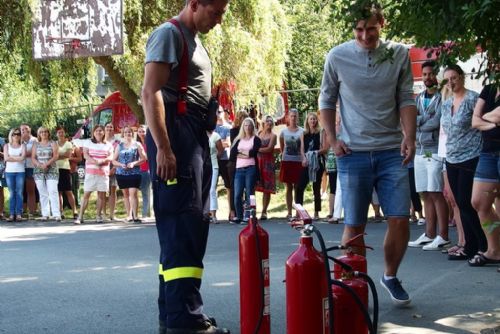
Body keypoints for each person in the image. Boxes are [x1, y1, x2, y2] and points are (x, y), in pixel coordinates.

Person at [319, 2, 417, 305]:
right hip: (353, 152)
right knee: (355, 224)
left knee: (400, 219)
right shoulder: (337, 56)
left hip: (391, 150)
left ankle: (389, 275)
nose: (364, 35)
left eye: (371, 28)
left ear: (382, 23)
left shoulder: (398, 54)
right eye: (359, 29)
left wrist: (410, 137)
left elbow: (405, 98)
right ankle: (354, 282)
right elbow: (326, 100)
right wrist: (333, 140)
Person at [142, 0, 230, 333]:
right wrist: (164, 148)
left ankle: (174, 316)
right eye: (216, 12)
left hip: (191, 137)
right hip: (176, 137)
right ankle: (186, 320)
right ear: (194, 3)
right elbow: (150, 93)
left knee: (187, 226)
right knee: (183, 226)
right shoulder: (169, 34)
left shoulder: (194, 42)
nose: (219, 20)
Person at [440, 64, 486, 261]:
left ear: (462, 77)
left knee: (468, 203)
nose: (451, 82)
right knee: (459, 202)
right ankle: (469, 245)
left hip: (471, 155)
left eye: (454, 78)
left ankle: (483, 245)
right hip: (451, 157)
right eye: (447, 79)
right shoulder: (446, 103)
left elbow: (482, 123)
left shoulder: (473, 98)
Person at [408, 61, 450, 250]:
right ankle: (429, 233)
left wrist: (420, 122)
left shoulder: (443, 96)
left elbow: (438, 121)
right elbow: (410, 120)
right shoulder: (418, 98)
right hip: (420, 148)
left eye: (431, 74)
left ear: (437, 76)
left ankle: (443, 235)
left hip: (434, 149)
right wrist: (423, 120)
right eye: (424, 74)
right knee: (424, 192)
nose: (427, 78)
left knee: (436, 192)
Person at [469, 84, 500, 267]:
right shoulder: (489, 89)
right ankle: (494, 250)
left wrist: (485, 119)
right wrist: (494, 122)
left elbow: (486, 117)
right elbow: (474, 121)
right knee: (479, 202)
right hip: (488, 152)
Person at [75, 125, 113, 224]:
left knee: (101, 195)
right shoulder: (88, 142)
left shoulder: (108, 144)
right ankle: (80, 216)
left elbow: (111, 156)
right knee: (86, 193)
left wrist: (103, 160)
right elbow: (85, 154)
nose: (99, 132)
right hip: (91, 173)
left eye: (101, 130)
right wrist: (95, 161)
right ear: (93, 132)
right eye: (96, 130)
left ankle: (98, 216)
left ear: (104, 132)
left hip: (103, 173)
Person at [296, 112, 327, 220]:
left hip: (317, 162)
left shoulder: (321, 132)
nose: (313, 121)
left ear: (317, 121)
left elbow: (325, 148)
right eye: (311, 119)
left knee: (316, 187)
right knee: (299, 186)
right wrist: (304, 158)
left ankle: (316, 212)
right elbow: (302, 149)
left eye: (314, 119)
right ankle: (299, 212)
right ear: (307, 121)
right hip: (306, 162)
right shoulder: (303, 134)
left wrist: (314, 153)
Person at [112, 126, 147, 223]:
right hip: (121, 173)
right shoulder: (119, 146)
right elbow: (113, 160)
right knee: (126, 194)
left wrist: (133, 163)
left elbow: (144, 159)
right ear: (123, 134)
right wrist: (121, 165)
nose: (128, 134)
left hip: (134, 172)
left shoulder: (137, 144)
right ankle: (129, 215)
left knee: (133, 193)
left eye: (130, 132)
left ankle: (135, 216)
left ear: (132, 133)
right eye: (126, 132)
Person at [230, 117, 261, 224]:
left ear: (253, 127)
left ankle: (249, 216)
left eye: (249, 125)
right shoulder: (238, 140)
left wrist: (241, 153)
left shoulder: (256, 139)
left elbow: (252, 153)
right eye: (245, 125)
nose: (247, 127)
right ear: (243, 127)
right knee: (237, 194)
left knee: (249, 193)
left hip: (250, 169)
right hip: (239, 170)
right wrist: (245, 153)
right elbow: (233, 155)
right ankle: (239, 216)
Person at [279, 108, 304, 219]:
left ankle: (298, 212)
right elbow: (281, 146)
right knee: (288, 187)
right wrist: (284, 155)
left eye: (295, 116)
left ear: (298, 117)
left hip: (298, 161)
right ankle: (289, 212)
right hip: (287, 161)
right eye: (291, 116)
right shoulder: (283, 132)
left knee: (298, 187)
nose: (293, 118)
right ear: (288, 117)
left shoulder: (302, 131)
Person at [31, 127, 61, 221]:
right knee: (42, 192)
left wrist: (46, 164)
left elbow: (56, 156)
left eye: (45, 132)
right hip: (38, 170)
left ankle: (56, 214)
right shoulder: (36, 144)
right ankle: (45, 213)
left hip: (51, 169)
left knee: (53, 191)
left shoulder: (53, 143)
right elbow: (33, 157)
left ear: (48, 133)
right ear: (39, 134)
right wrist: (39, 165)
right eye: (41, 132)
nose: (43, 133)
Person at [255, 115, 277, 220]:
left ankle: (264, 211)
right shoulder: (258, 134)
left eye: (271, 121)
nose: (269, 123)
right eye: (267, 121)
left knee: (267, 188)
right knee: (254, 186)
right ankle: (252, 211)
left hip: (268, 163)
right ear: (263, 123)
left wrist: (257, 149)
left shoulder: (273, 135)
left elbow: (269, 149)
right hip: (258, 162)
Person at [55, 126, 78, 219]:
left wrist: (57, 156)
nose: (61, 134)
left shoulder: (68, 144)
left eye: (62, 132)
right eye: (59, 132)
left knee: (68, 191)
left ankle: (74, 211)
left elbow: (68, 155)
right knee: (58, 192)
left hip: (65, 169)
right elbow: (52, 155)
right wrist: (59, 155)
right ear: (56, 134)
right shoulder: (54, 144)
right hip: (56, 169)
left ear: (65, 133)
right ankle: (60, 212)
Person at [214, 108, 232, 220]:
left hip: (226, 159)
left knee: (229, 187)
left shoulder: (228, 127)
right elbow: (209, 143)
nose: (219, 114)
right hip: (214, 160)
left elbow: (228, 143)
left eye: (220, 111)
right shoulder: (212, 128)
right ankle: (213, 214)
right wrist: (221, 143)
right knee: (212, 187)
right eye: (217, 112)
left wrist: (217, 144)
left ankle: (231, 212)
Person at [20, 124, 38, 219]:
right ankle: (22, 211)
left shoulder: (35, 140)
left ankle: (32, 212)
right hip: (20, 168)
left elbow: (34, 153)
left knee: (31, 190)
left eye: (25, 129)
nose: (23, 130)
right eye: (22, 129)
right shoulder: (19, 141)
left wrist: (22, 154)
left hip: (31, 167)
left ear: (30, 130)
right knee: (21, 190)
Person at [104, 122, 120, 220]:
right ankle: (103, 214)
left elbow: (119, 156)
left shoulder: (117, 142)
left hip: (113, 168)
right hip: (102, 168)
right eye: (107, 127)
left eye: (111, 127)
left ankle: (112, 214)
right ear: (104, 128)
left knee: (112, 191)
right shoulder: (100, 141)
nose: (109, 128)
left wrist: (114, 168)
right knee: (101, 191)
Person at [137, 124, 152, 219]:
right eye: (140, 131)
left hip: (151, 170)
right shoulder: (137, 145)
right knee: (145, 193)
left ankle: (147, 213)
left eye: (143, 131)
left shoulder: (151, 143)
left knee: (150, 193)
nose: (142, 133)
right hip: (141, 170)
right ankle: (146, 213)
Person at [208, 129, 223, 224]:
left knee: (212, 189)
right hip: (202, 166)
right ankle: (205, 213)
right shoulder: (199, 134)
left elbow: (220, 150)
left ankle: (213, 214)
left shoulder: (215, 136)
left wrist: (214, 157)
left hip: (213, 165)